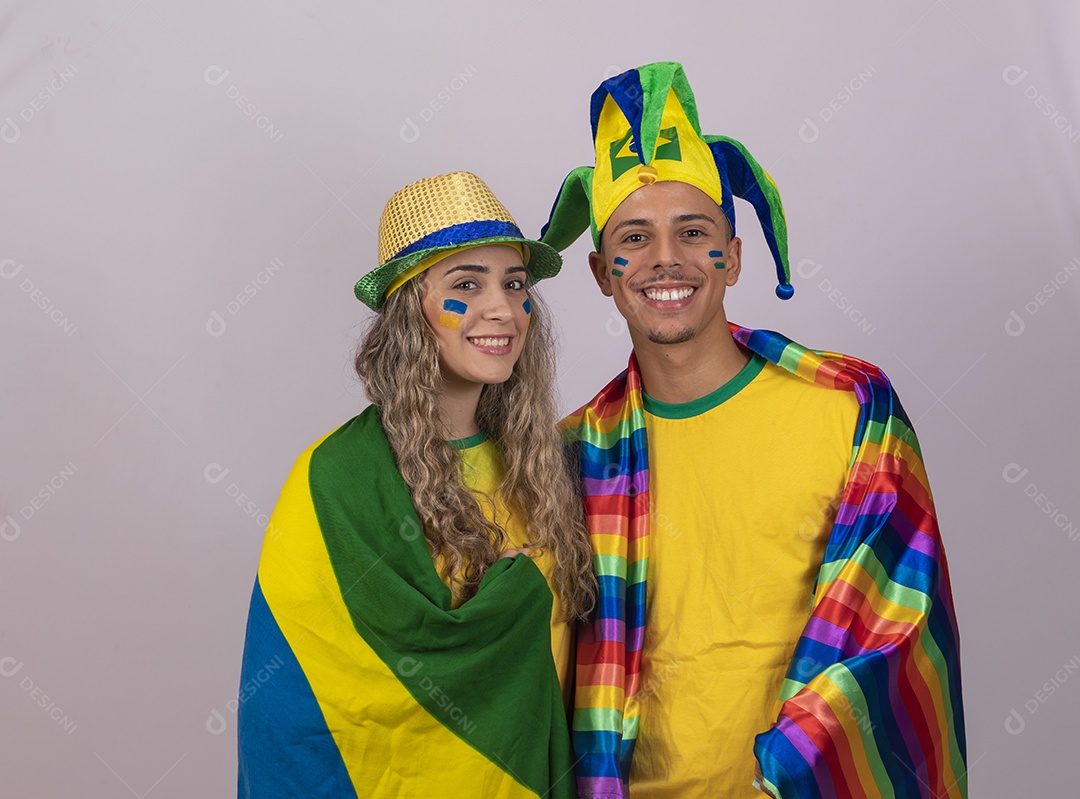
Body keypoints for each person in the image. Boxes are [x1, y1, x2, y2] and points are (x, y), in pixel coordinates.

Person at [539, 62, 966, 798]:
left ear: (733, 257)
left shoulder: (851, 410)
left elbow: (897, 632)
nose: (664, 259)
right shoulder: (575, 452)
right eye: (633, 238)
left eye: (693, 232)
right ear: (602, 272)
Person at [236, 171, 596, 799]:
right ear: (409, 312)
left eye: (515, 285)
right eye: (465, 285)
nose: (502, 310)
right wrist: (503, 614)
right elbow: (296, 710)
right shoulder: (333, 480)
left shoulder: (549, 464)